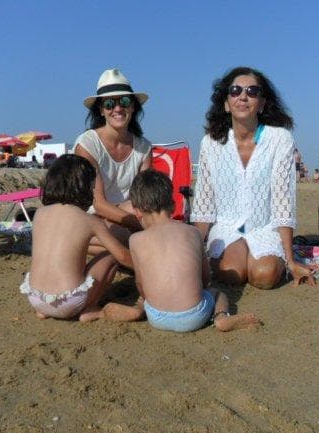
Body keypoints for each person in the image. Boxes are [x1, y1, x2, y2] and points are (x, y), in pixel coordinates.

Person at [191, 66, 318, 289]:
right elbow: (204, 204)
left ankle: (270, 259)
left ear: (262, 103)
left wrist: (290, 259)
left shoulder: (280, 139)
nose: (243, 96)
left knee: (264, 276)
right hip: (227, 227)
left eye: (252, 91)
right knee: (232, 274)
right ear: (225, 103)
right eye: (235, 90)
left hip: (265, 227)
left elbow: (283, 201)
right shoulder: (211, 143)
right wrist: (193, 253)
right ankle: (238, 254)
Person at [102, 170, 261, 332]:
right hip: (194, 317)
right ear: (172, 204)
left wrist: (147, 299)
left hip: (156, 317)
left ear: (137, 212)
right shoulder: (193, 233)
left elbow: (141, 284)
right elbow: (205, 279)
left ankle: (139, 308)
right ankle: (221, 318)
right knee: (217, 294)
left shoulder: (135, 240)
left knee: (146, 295)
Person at [19, 154, 136, 322]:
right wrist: (146, 269)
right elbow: (123, 256)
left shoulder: (39, 214)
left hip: (36, 299)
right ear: (86, 187)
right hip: (70, 303)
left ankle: (45, 310)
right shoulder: (89, 220)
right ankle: (90, 309)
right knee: (110, 256)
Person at [73, 68, 152, 247]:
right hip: (90, 218)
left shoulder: (144, 148)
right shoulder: (87, 145)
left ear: (132, 106)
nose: (117, 108)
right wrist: (145, 226)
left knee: (143, 210)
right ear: (101, 110)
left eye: (124, 101)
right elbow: (98, 204)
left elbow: (144, 197)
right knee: (141, 238)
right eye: (109, 104)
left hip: (126, 216)